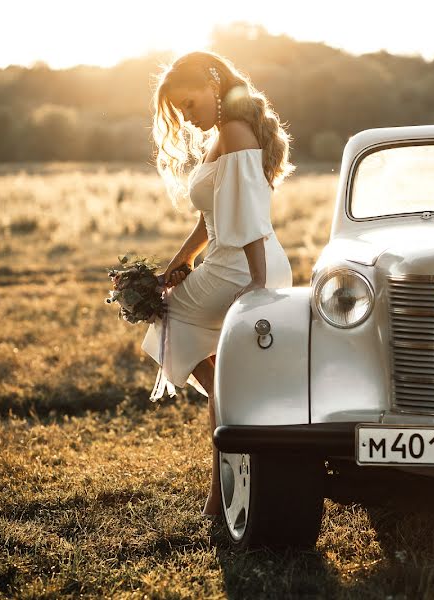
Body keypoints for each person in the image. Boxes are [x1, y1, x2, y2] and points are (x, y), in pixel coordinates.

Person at [143, 51, 295, 517]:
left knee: (167, 316)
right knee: (175, 325)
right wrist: (179, 260)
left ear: (213, 86)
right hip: (237, 259)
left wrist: (257, 280)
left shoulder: (233, 132)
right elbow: (210, 220)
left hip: (242, 265)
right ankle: (238, 403)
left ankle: (233, 417)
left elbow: (248, 208)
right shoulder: (226, 134)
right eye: (182, 112)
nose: (189, 116)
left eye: (189, 104)